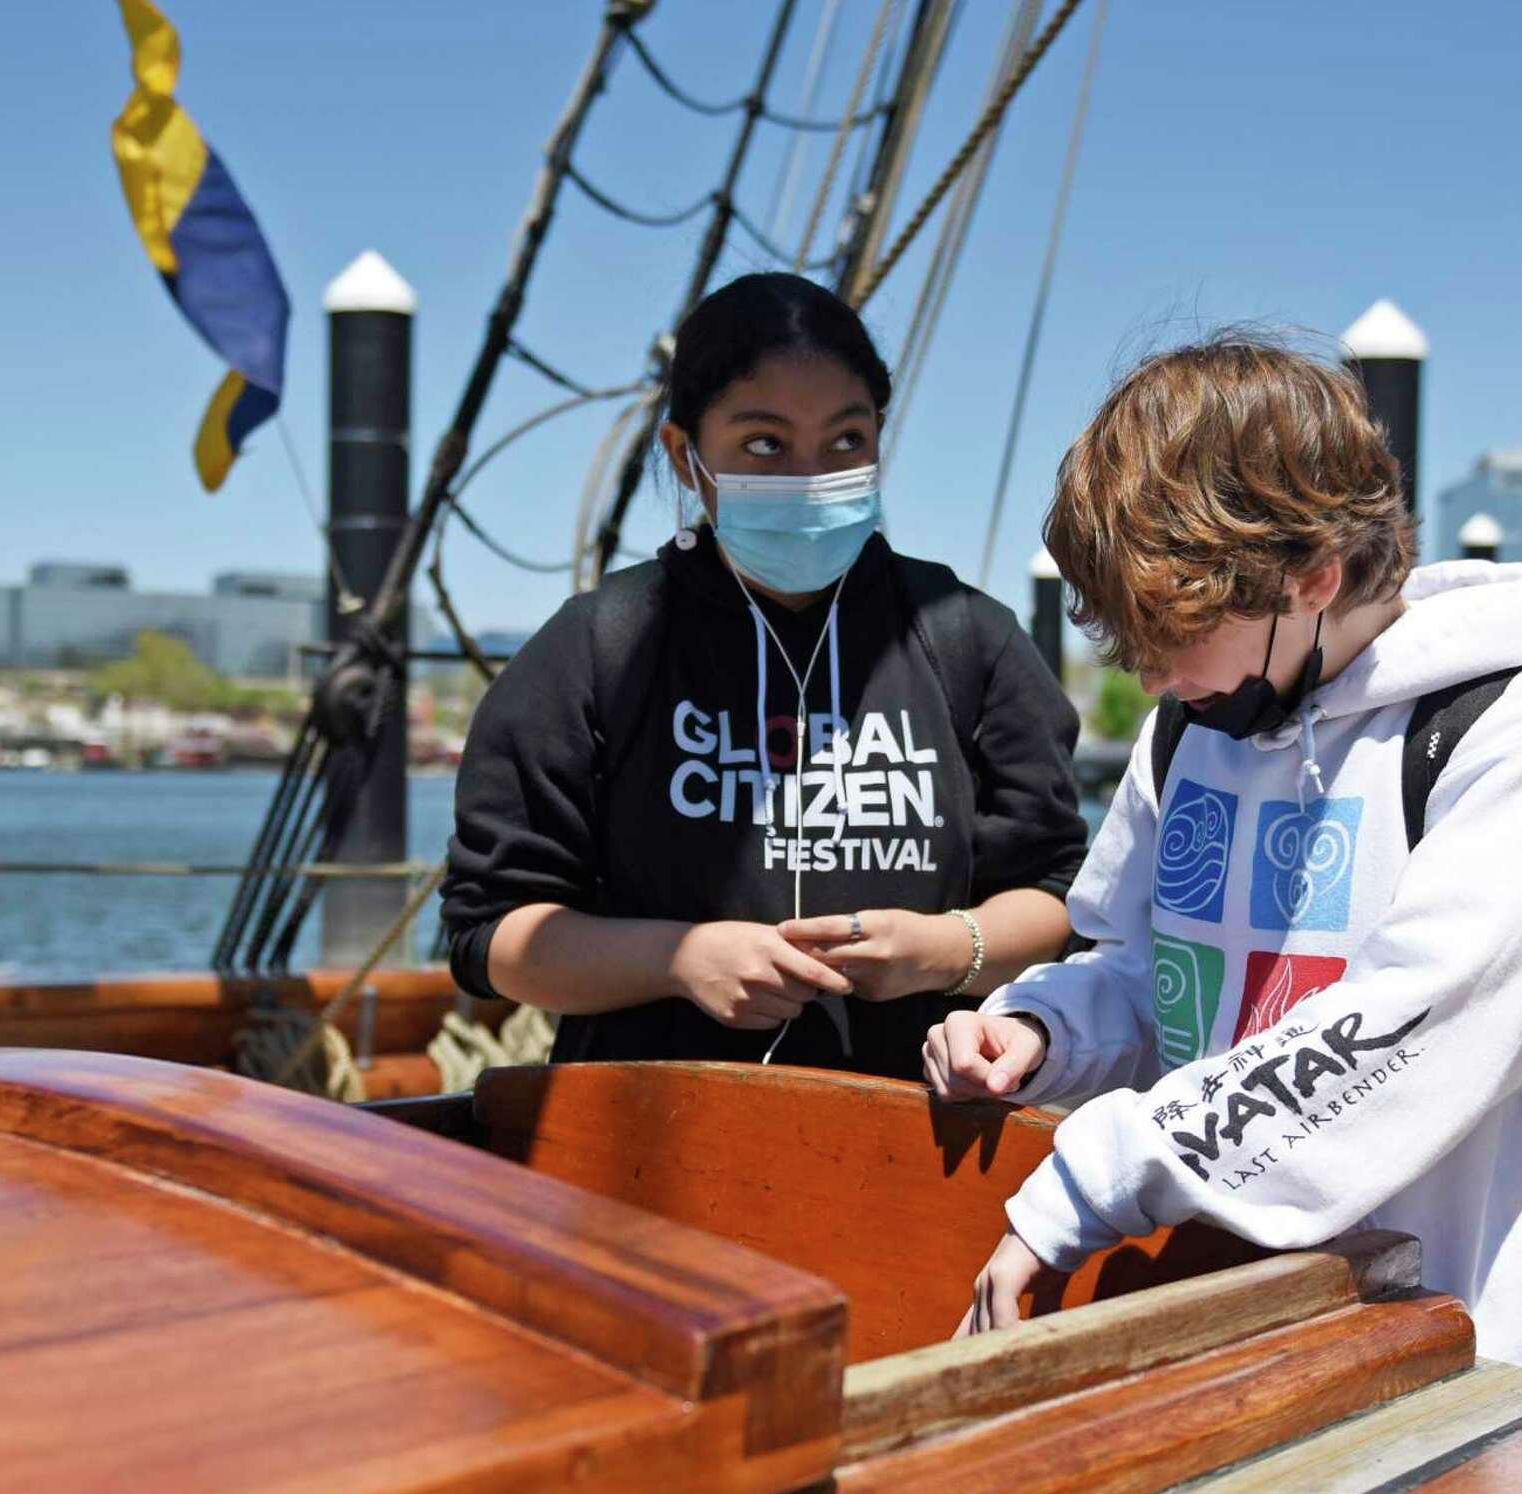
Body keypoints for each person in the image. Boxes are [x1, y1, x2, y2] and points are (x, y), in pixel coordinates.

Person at [924, 329, 1522, 1387]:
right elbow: (1156, 975)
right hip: (1251, 1335)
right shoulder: (1192, 732)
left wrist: (1095, 1178)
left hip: (1496, 1358)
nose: (1156, 677)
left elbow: (1414, 1021)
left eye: (1173, 631)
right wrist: (1040, 1029)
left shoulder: (1518, 723)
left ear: (1312, 576)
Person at [441, 271, 1086, 1076]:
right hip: (648, 1141)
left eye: (846, 440)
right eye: (764, 444)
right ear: (686, 456)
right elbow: (491, 935)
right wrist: (679, 959)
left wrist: (946, 948)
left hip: (920, 1136)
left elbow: (1062, 898)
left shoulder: (968, 637)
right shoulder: (598, 645)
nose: (810, 476)